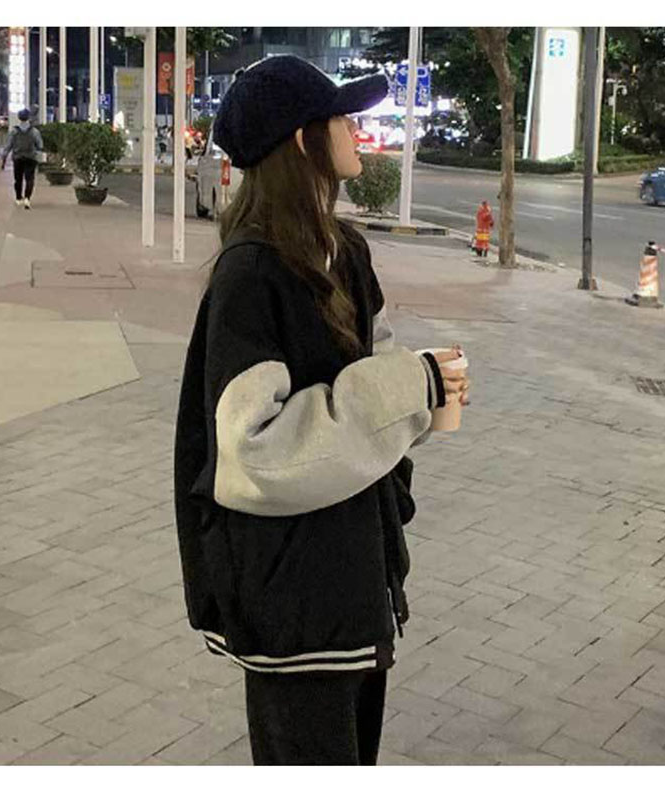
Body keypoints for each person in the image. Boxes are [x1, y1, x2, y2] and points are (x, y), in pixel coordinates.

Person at [173, 55, 469, 766]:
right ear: (303, 141)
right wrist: (412, 385)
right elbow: (255, 450)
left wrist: (426, 395)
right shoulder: (252, 272)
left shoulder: (346, 251)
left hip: (358, 578)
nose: (355, 130)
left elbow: (379, 366)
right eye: (341, 118)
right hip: (291, 598)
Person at [0, 108, 43, 209]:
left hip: (18, 158)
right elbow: (40, 145)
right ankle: (27, 199)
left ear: (19, 118)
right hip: (31, 158)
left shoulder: (14, 131)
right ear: (29, 118)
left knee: (18, 179)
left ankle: (18, 198)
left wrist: (4, 157)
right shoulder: (34, 131)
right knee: (30, 179)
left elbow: (8, 145)